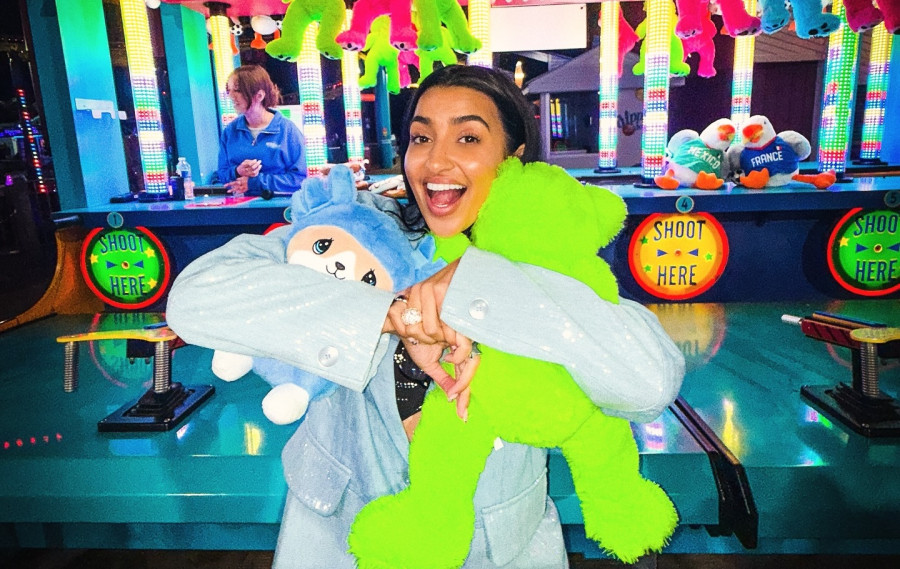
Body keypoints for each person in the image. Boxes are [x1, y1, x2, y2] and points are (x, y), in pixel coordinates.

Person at [166, 64, 684, 569]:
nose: (436, 161)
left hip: (502, 544)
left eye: (468, 138)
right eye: (421, 138)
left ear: (513, 157)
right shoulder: (357, 226)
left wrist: (475, 284)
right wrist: (394, 313)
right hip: (341, 533)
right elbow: (196, 298)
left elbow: (649, 382)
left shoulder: (552, 256)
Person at [215, 65, 307, 196]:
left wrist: (255, 182)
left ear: (259, 95)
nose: (231, 96)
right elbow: (221, 175)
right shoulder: (230, 131)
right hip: (238, 205)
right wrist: (237, 171)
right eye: (229, 91)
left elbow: (299, 179)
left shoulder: (288, 131)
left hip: (278, 205)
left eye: (238, 90)